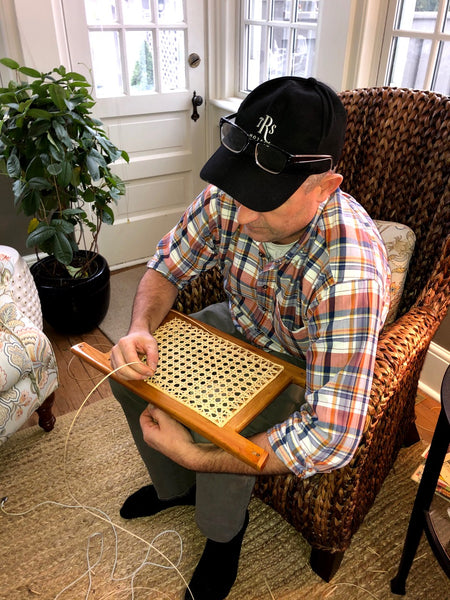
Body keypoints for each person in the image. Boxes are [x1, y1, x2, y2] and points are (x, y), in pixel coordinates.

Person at [110, 76, 391, 600]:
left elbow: (332, 436)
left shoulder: (350, 274)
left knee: (216, 434)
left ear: (324, 187)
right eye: (238, 191)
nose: (238, 213)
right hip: (238, 324)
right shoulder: (231, 195)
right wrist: (139, 328)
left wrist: (201, 455)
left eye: (261, 201)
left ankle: (223, 538)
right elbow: (166, 266)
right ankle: (176, 489)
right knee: (127, 374)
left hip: (301, 368)